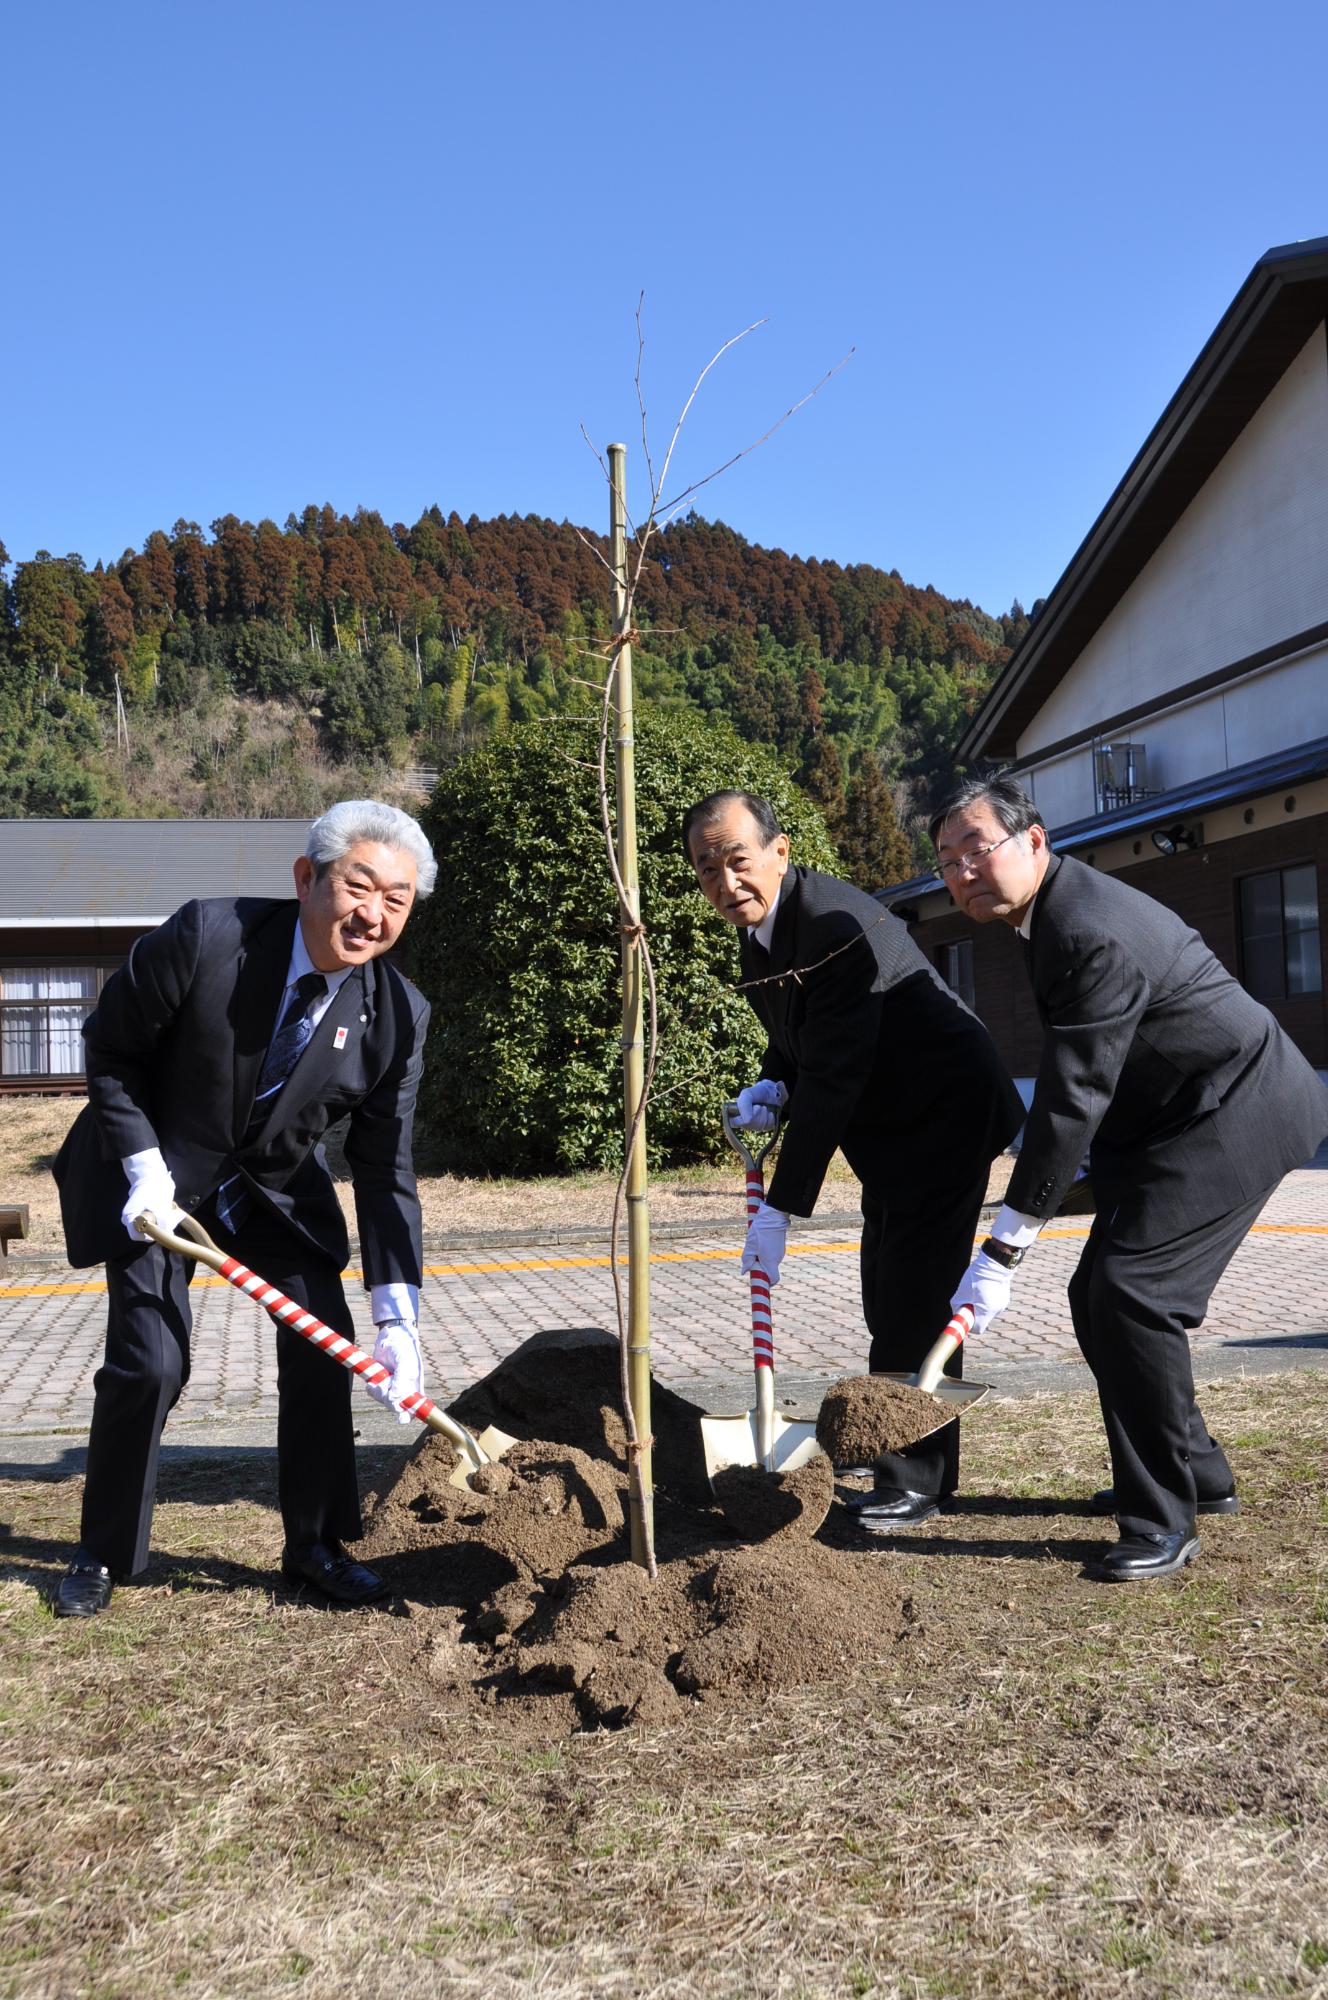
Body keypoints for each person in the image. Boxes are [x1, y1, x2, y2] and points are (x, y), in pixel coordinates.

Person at [933, 772, 1328, 1581]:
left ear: (1034, 841)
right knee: (1098, 1295)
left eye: (977, 849)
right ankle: (1198, 1471)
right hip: (1169, 1115)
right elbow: (1093, 1076)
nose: (961, 872)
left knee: (1130, 1292)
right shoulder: (1047, 919)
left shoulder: (1085, 927)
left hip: (1235, 1105)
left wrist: (1004, 1248)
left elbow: (1073, 1094)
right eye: (945, 861)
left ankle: (1161, 1517)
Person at [50, 800, 437, 1617]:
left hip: (270, 1188)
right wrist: (144, 1167)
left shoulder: (398, 1015)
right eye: (358, 886)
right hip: (153, 1170)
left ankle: (316, 1546)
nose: (372, 914)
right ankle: (103, 1551)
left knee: (324, 1342)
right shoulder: (209, 937)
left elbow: (383, 1165)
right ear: (307, 878)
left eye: (396, 900)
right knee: (151, 1362)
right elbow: (111, 1051)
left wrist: (398, 1317)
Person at [683, 790, 1025, 1523]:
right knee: (888, 1288)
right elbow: (800, 1033)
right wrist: (772, 1084)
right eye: (706, 869)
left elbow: (836, 1072)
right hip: (896, 1123)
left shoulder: (832, 925)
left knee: (912, 1295)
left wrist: (779, 1210)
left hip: (943, 1112)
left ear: (780, 852)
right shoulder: (765, 930)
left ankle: (914, 1480)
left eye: (737, 860)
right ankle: (901, 1464)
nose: (725, 882)